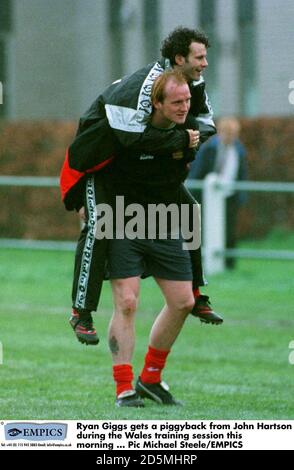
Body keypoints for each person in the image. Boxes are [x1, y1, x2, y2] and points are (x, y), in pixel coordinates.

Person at [60, 27, 223, 347]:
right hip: (96, 169)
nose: (205, 63)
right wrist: (178, 141)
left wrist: (184, 147)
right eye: (199, 57)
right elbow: (130, 139)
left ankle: (196, 292)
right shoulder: (142, 87)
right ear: (179, 59)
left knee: (190, 209)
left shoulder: (191, 83)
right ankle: (80, 311)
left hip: (138, 173)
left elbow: (205, 126)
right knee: (100, 225)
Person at [108, 70, 202, 407]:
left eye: (187, 101)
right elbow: (89, 160)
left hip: (163, 222)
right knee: (127, 302)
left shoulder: (190, 133)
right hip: (119, 220)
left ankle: (150, 378)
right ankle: (123, 388)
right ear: (157, 103)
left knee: (183, 302)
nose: (183, 108)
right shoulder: (126, 130)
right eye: (176, 102)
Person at [188, 116, 248, 268]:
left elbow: (241, 174)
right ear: (220, 132)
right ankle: (200, 262)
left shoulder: (239, 150)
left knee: (230, 229)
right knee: (202, 229)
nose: (230, 137)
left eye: (233, 134)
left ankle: (229, 264)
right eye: (227, 133)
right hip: (206, 196)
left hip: (229, 195)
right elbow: (197, 172)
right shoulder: (209, 149)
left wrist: (241, 195)